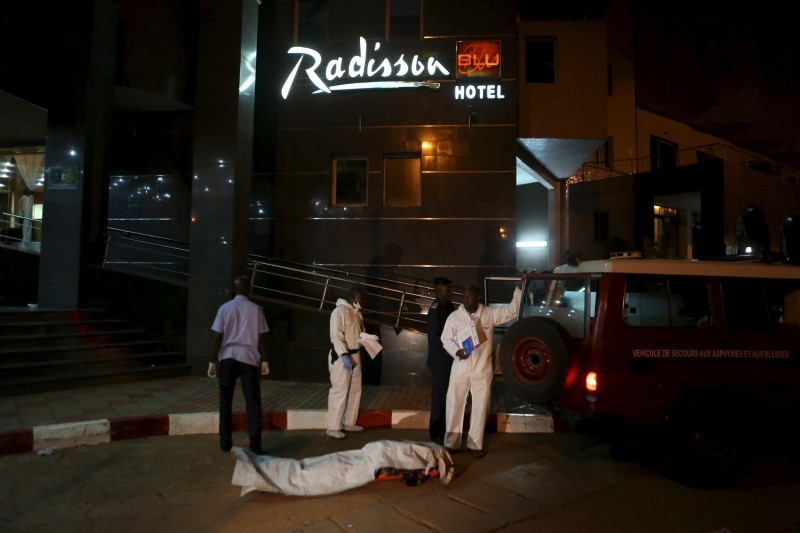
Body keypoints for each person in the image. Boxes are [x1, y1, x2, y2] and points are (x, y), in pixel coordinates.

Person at [440, 280, 522, 458]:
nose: (467, 300)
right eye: (465, 297)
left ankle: (475, 445)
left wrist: (519, 290)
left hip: (482, 370)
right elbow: (446, 339)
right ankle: (451, 443)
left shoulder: (489, 314)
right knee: (454, 403)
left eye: (470, 297)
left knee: (480, 406)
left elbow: (512, 311)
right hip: (460, 368)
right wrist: (457, 351)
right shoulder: (454, 317)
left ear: (478, 298)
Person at [208, 275, 270, 454]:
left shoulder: (224, 309)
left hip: (227, 359)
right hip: (249, 360)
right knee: (252, 402)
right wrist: (265, 360)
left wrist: (212, 361)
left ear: (235, 290)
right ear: (249, 289)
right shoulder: (256, 309)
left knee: (225, 401)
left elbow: (217, 337)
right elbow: (262, 339)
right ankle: (255, 445)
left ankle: (225, 443)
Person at [326, 285, 367, 439]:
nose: (363, 301)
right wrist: (343, 354)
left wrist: (366, 341)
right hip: (342, 356)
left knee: (355, 390)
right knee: (340, 390)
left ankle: (349, 422)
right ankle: (333, 427)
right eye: (361, 298)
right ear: (353, 297)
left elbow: (359, 334)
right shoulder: (340, 311)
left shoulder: (357, 314)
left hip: (355, 355)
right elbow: (336, 335)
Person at [426, 276, 456, 445]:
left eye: (450, 289)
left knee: (447, 396)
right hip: (440, 360)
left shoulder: (450, 307)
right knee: (438, 396)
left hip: (449, 358)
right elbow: (436, 338)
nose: (450, 293)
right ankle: (435, 432)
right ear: (437, 291)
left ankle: (444, 429)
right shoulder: (435, 310)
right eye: (446, 290)